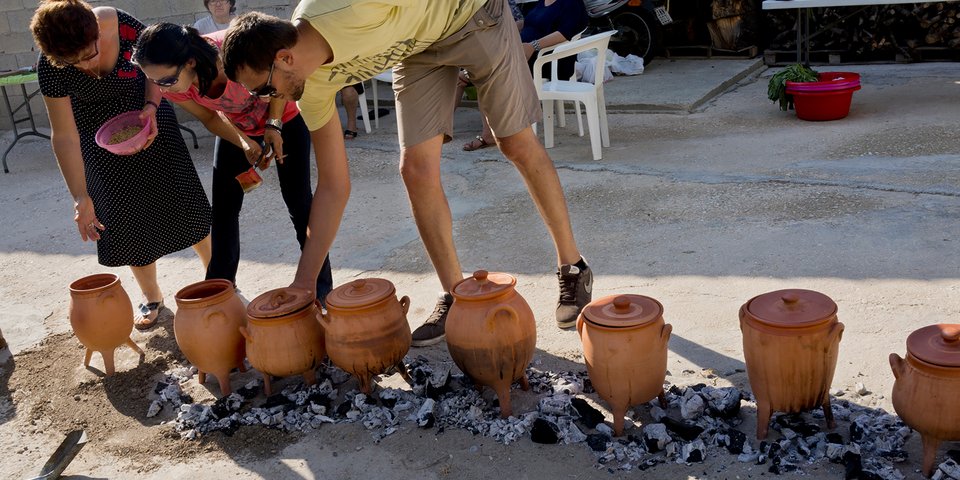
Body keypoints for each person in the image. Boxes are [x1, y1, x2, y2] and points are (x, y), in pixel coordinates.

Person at [221, 0, 593, 347]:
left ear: (285, 57)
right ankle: (455, 294)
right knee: (415, 168)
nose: (269, 101)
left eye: (265, 89)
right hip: (416, 47)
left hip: (471, 17)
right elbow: (334, 185)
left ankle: (572, 266)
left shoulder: (352, 8)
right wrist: (305, 282)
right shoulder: (312, 86)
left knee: (513, 142)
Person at [31, 0, 212, 330]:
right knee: (126, 221)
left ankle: (218, 277)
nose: (90, 63)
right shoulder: (51, 67)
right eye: (78, 61)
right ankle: (152, 295)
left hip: (150, 119)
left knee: (185, 205)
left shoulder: (124, 26)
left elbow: (156, 68)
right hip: (100, 145)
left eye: (92, 51)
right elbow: (64, 135)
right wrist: (80, 198)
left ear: (97, 30)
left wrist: (152, 105)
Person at [132, 23, 334, 303]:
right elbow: (211, 118)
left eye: (164, 80)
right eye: (153, 81)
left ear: (189, 61)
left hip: (284, 116)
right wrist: (243, 143)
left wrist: (273, 126)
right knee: (224, 211)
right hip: (237, 129)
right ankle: (218, 294)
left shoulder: (232, 48)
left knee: (300, 205)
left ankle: (321, 289)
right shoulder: (173, 86)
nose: (159, 88)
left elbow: (278, 78)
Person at [462, 0, 589, 151]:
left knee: (484, 74)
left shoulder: (571, 3)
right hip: (522, 53)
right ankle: (443, 129)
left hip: (547, 59)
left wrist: (532, 46)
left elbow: (566, 33)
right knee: (477, 71)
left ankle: (488, 131)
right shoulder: (543, 1)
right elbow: (530, 22)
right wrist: (505, 28)